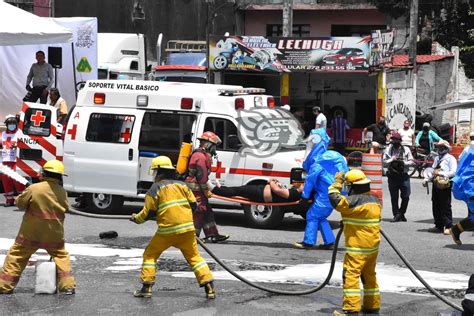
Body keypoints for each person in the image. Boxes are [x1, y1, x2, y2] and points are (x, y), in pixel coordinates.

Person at [130, 156, 215, 299]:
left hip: (167, 232)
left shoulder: (155, 189)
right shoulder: (183, 185)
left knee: (150, 255)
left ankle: (146, 288)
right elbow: (194, 205)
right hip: (187, 230)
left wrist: (136, 219)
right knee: (195, 257)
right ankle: (209, 287)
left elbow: (148, 212)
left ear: (158, 172)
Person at [0, 160, 75, 295]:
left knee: (17, 255)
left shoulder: (34, 189)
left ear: (43, 173)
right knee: (61, 256)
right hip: (53, 234)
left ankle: (4, 286)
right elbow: (65, 207)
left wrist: (27, 192)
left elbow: (20, 204)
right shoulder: (62, 192)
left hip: (31, 233)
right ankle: (68, 286)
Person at [328, 169, 382, 315]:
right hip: (372, 248)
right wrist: (348, 222)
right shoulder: (375, 200)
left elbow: (336, 200)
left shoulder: (352, 202)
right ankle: (372, 306)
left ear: (352, 187)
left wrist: (337, 184)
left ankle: (351, 310)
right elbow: (364, 218)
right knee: (369, 275)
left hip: (357, 249)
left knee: (350, 275)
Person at [185, 131, 229, 243]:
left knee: (207, 210)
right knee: (199, 210)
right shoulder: (200, 156)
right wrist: (206, 190)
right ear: (207, 144)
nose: (215, 149)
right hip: (195, 190)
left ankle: (212, 234)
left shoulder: (202, 155)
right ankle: (192, 237)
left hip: (198, 188)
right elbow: (201, 176)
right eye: (214, 146)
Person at [423, 140, 457, 235]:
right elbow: (432, 170)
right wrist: (427, 178)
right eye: (439, 147)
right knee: (436, 204)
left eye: (441, 147)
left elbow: (453, 172)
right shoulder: (437, 158)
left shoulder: (451, 158)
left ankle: (449, 226)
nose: (439, 149)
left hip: (445, 184)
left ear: (446, 148)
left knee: (445, 205)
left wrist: (440, 173)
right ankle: (438, 225)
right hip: (436, 183)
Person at [383, 132, 415, 222]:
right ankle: (396, 214)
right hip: (392, 176)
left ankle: (401, 213)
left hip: (403, 176)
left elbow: (412, 161)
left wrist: (404, 162)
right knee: (394, 197)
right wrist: (392, 159)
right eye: (393, 139)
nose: (394, 141)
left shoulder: (406, 149)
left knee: (406, 196)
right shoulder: (388, 149)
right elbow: (384, 163)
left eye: (396, 140)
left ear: (400, 141)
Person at [450, 141, 474, 246]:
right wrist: (471, 194)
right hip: (471, 191)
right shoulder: (471, 158)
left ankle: (456, 230)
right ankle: (456, 230)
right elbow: (467, 177)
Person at [211, 178, 303, 204]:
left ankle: (215, 190)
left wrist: (271, 182)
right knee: (239, 189)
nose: (302, 184)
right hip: (262, 192)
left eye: (304, 185)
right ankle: (220, 188)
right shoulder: (296, 193)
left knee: (239, 190)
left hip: (261, 194)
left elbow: (276, 190)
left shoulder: (295, 194)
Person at [1, 115, 25, 206]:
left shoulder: (21, 134)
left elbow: (26, 145)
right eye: (10, 124)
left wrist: (18, 145)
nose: (12, 125)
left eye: (13, 124)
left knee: (18, 181)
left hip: (17, 161)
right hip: (5, 162)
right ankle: (9, 200)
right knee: (6, 181)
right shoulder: (2, 134)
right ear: (6, 125)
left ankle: (22, 201)